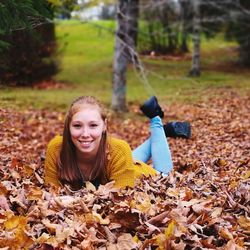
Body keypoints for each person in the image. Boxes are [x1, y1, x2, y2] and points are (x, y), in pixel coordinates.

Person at [44, 96, 174, 190]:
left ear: (104, 126)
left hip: (151, 176)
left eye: (93, 125)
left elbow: (120, 201)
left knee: (165, 175)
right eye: (77, 126)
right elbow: (51, 192)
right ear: (68, 126)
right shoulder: (56, 148)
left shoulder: (119, 150)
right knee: (125, 155)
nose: (85, 133)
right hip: (122, 163)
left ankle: (156, 119)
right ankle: (163, 133)